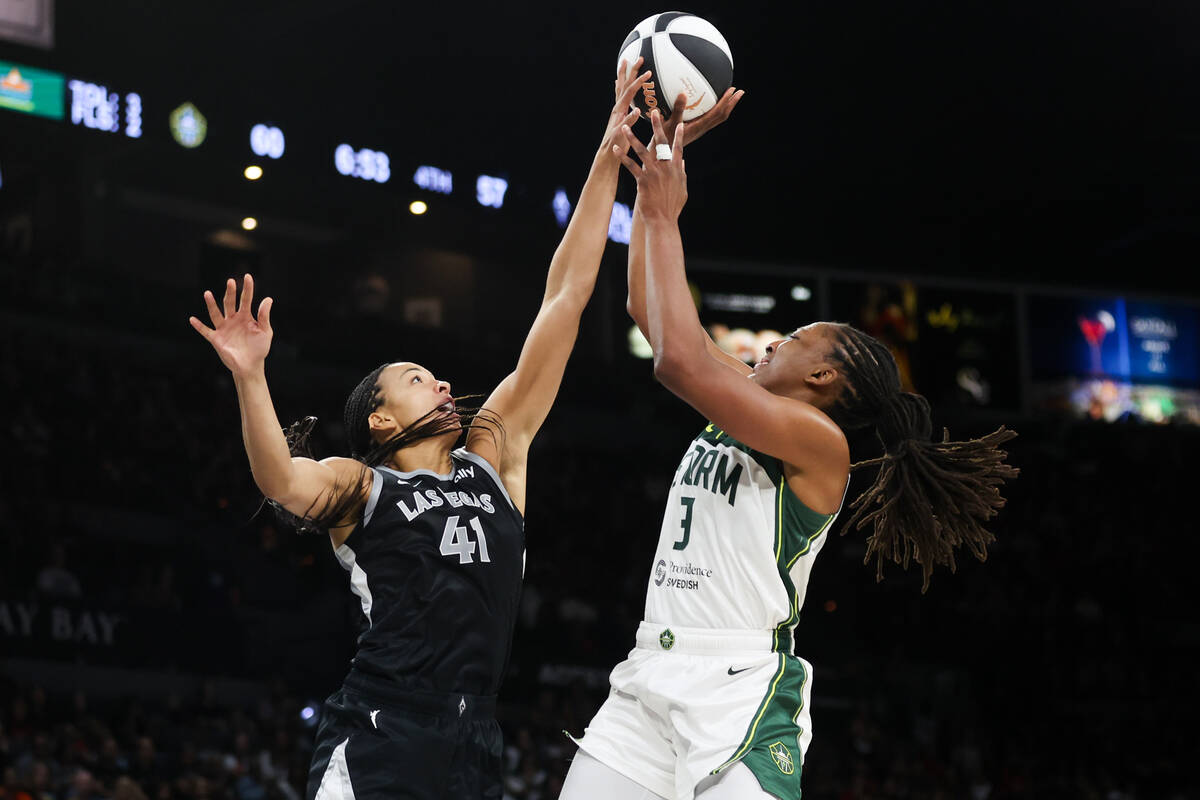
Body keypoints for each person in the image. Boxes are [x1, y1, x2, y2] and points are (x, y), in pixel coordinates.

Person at [188, 60, 652, 800]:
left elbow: (566, 294)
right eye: (415, 378)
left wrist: (606, 155)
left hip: (475, 741)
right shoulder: (361, 484)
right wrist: (250, 376)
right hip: (382, 730)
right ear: (380, 417)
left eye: (435, 376)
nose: (441, 382)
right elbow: (279, 478)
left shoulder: (494, 454)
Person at [560, 108, 1018, 800]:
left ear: (825, 377)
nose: (774, 341)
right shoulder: (744, 395)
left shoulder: (819, 444)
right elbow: (647, 312)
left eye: (796, 337)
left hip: (739, 688)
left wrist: (664, 216)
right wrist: (656, 168)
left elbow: (678, 362)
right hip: (651, 668)